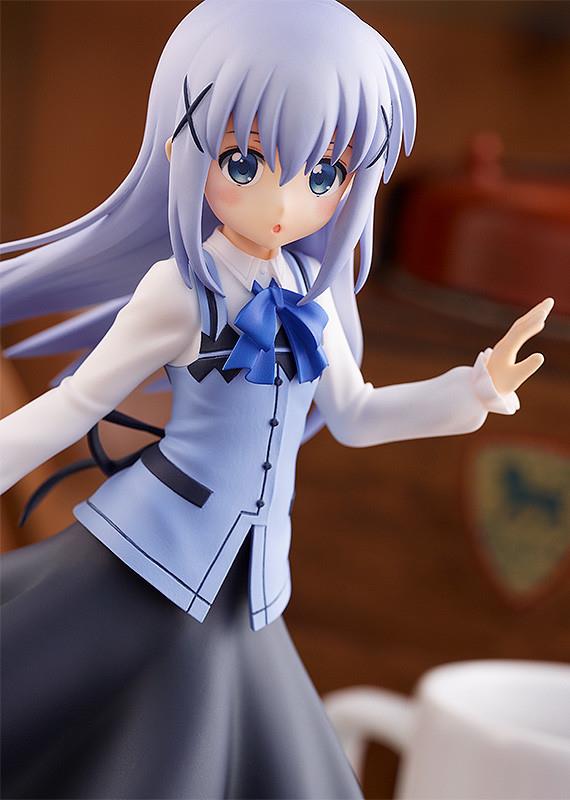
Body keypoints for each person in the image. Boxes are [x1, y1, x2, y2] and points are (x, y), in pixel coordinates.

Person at [0, 1, 553, 797]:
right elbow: (76, 404)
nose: (286, 202)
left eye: (323, 175)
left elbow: (357, 416)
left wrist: (475, 387)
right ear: (183, 147)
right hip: (154, 559)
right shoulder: (180, 292)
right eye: (244, 162)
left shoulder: (315, 297)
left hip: (252, 585)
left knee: (298, 765)